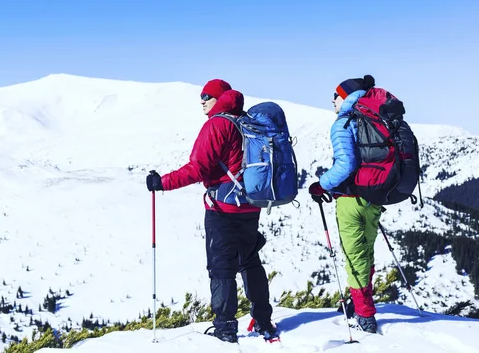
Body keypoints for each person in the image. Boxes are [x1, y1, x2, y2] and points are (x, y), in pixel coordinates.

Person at [146, 79, 278, 343]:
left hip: (223, 207)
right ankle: (263, 320)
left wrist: (162, 183)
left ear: (220, 99)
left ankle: (225, 328)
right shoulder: (247, 122)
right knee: (250, 262)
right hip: (252, 205)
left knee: (221, 268)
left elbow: (198, 168)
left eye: (207, 95)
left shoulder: (217, 124)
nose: (202, 100)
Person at [308, 74, 382, 333]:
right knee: (367, 252)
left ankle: (364, 315)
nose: (332, 100)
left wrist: (321, 184)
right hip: (375, 197)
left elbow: (346, 165)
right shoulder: (376, 117)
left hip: (351, 199)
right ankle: (361, 302)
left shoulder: (343, 123)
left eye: (336, 95)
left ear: (347, 97)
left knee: (354, 257)